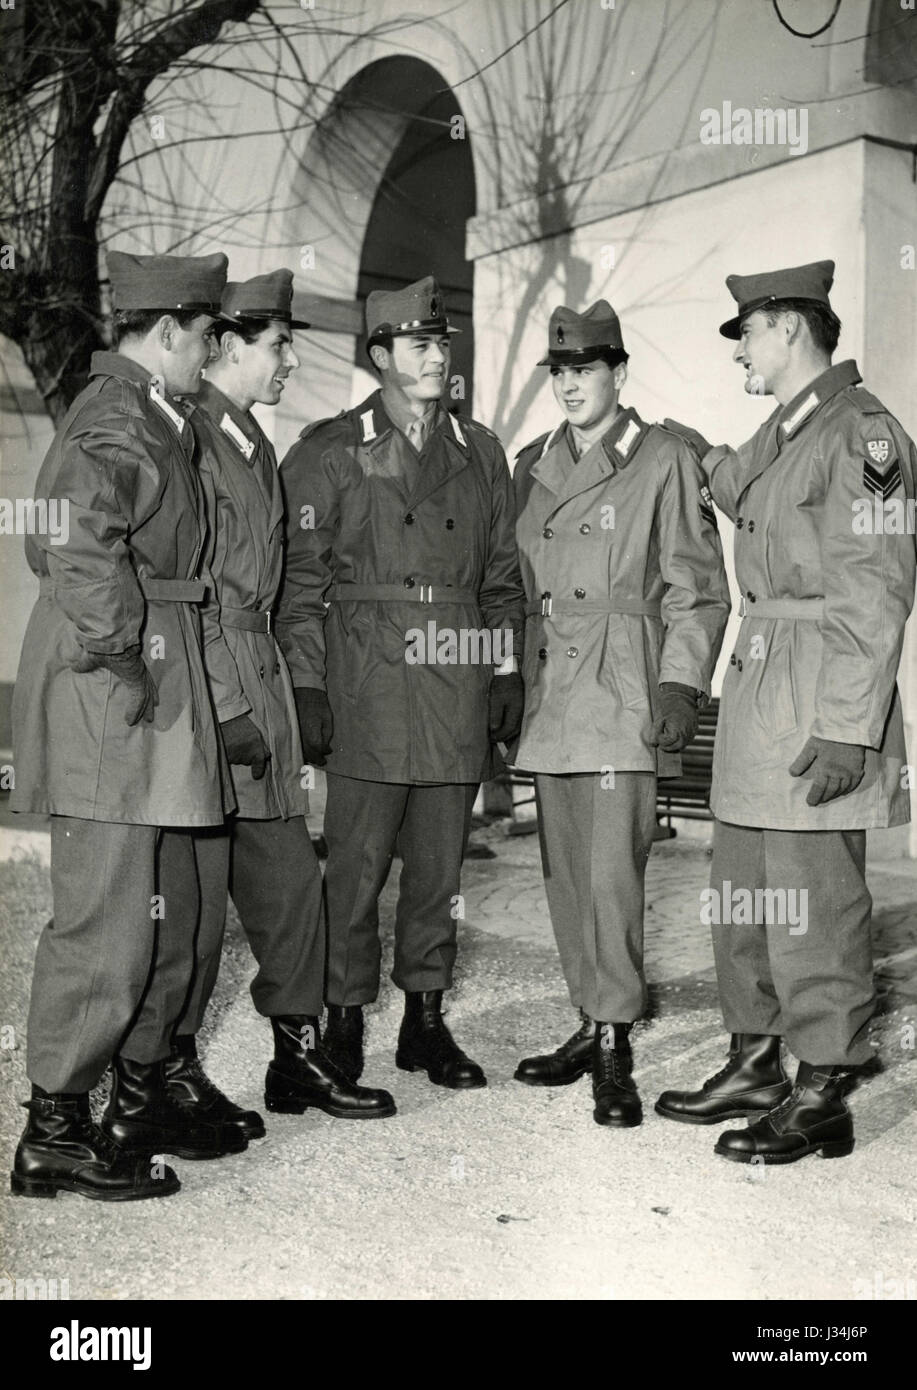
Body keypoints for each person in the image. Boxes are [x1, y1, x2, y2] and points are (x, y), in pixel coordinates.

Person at [656, 260, 916, 1163]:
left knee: (813, 901)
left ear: (789, 328)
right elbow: (744, 494)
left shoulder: (865, 434)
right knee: (744, 892)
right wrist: (687, 450)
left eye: (747, 336)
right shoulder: (789, 427)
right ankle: (754, 1058)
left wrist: (850, 726)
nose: (739, 355)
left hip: (818, 695)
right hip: (761, 685)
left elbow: (878, 586)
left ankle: (823, 1088)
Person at [10, 250, 247, 1203]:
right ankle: (53, 1129)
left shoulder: (156, 416)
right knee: (105, 924)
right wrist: (119, 651)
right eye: (205, 337)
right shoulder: (112, 416)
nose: (212, 352)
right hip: (118, 691)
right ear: (164, 334)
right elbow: (68, 535)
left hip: (155, 679)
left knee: (170, 913)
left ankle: (134, 1095)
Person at [276, 275, 526, 1090]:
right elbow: (297, 585)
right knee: (353, 871)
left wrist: (504, 671)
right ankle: (343, 1020)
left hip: (453, 681)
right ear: (379, 355)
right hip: (367, 682)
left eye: (440, 342)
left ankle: (424, 1022)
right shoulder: (330, 449)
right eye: (416, 344)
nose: (433, 356)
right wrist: (307, 688)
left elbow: (499, 582)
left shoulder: (479, 451)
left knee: (439, 870)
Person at [175, 269, 394, 1124]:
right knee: (185, 909)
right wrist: (226, 707)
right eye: (278, 346)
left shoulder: (251, 443)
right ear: (228, 346)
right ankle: (165, 1072)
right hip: (210, 698)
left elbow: (284, 587)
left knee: (294, 889)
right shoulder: (188, 438)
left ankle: (296, 1064)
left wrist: (294, 694)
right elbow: (187, 590)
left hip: (259, 689)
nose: (292, 361)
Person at [511, 300, 729, 1126]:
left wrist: (679, 686)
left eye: (585, 370)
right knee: (565, 873)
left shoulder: (662, 457)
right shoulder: (532, 462)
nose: (570, 385)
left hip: (622, 691)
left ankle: (614, 1042)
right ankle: (586, 1018)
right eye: (560, 373)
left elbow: (698, 590)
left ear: (617, 373)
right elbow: (514, 589)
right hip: (554, 700)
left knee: (610, 874)